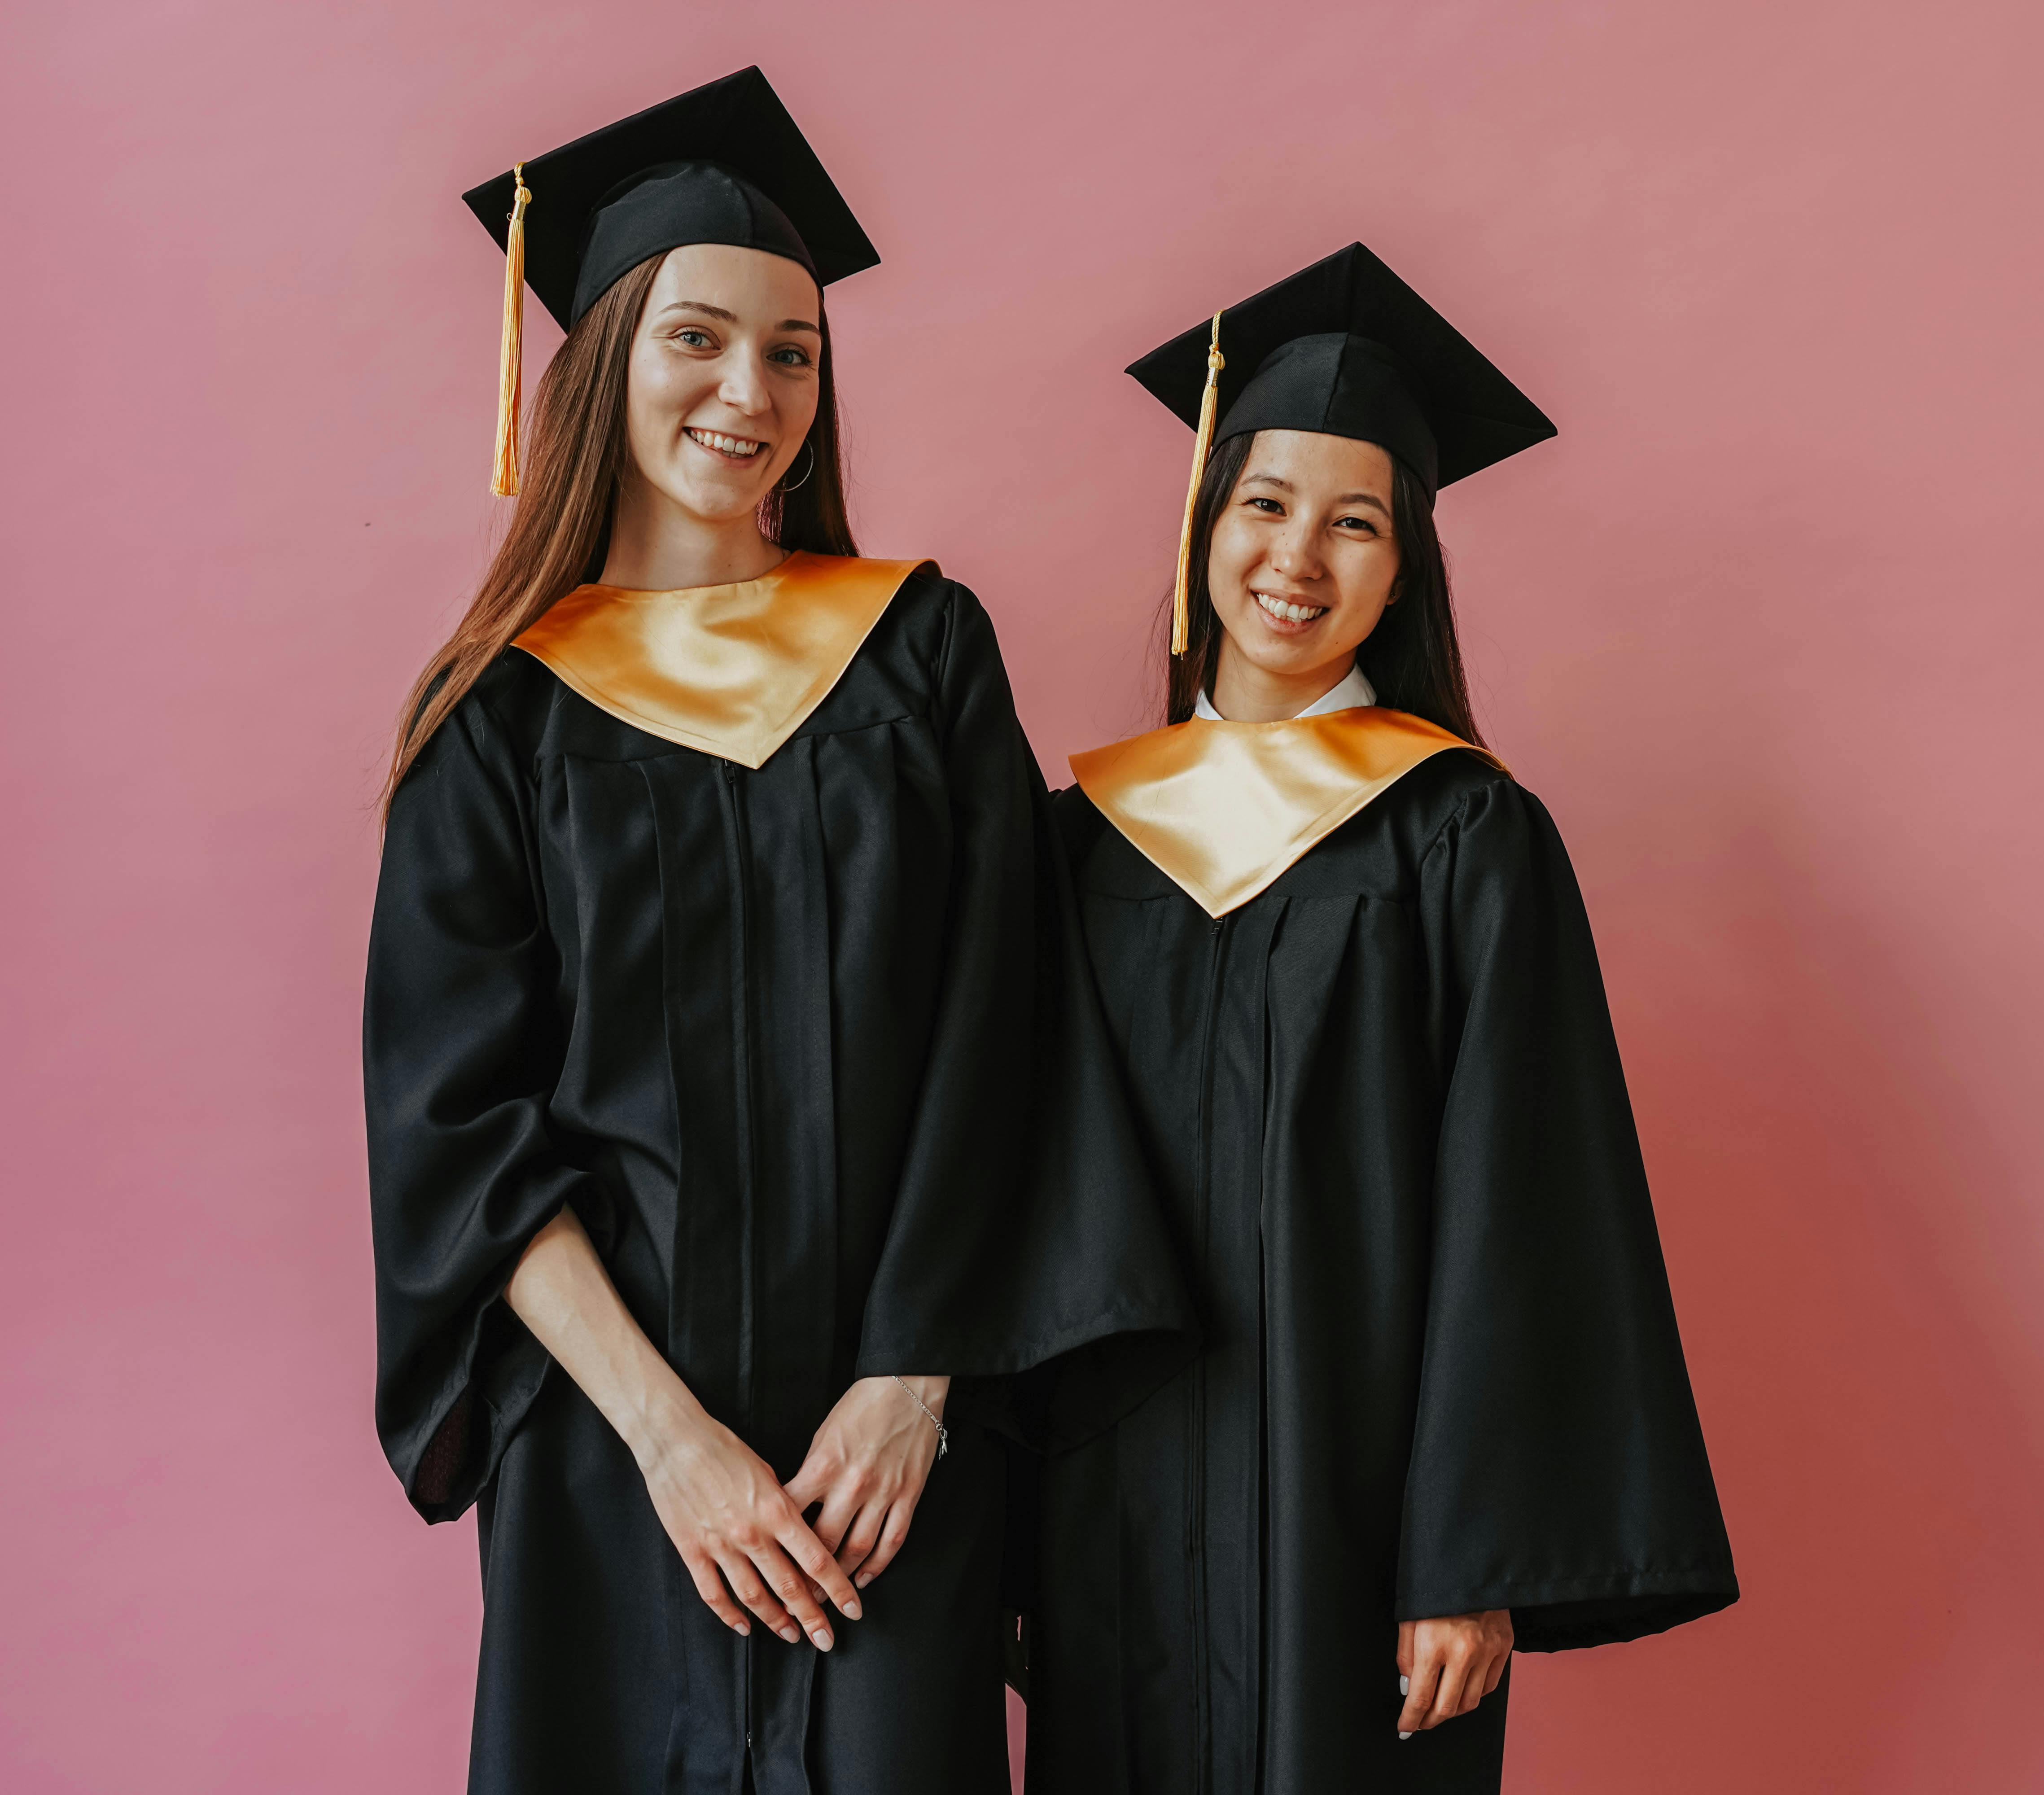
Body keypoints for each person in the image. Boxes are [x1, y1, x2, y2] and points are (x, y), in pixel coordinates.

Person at [364, 68, 1186, 1795]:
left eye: (795, 351)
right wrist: (670, 1447)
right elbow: (461, 1135)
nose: (752, 391)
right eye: (699, 340)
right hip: (616, 1458)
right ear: (600, 360)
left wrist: (913, 1384)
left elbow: (1003, 1033)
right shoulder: (499, 723)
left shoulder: (919, 652)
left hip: (882, 1458)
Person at [1021, 243, 1738, 1795]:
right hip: (1108, 1508)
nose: (1301, 557)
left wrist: (1467, 1550)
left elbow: (1528, 1207)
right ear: (1208, 524)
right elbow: (1014, 1187)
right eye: (1266, 504)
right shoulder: (1075, 843)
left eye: (1359, 523)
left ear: (1408, 568)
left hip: (1365, 1513)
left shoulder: (1465, 839)